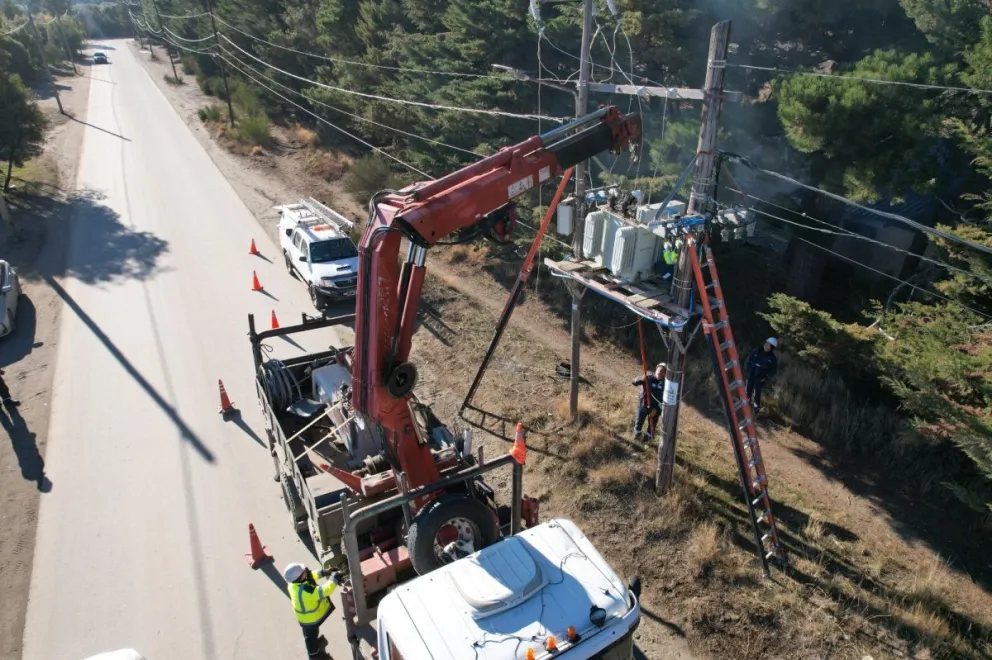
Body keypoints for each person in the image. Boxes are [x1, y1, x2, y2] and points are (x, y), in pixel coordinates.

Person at [284, 562, 341, 658]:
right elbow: (325, 591)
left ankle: (315, 645)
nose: (306, 570)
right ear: (300, 577)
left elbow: (310, 576)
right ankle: (314, 655)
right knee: (310, 639)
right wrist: (333, 579)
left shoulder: (293, 584)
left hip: (306, 619)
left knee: (312, 634)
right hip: (309, 620)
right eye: (304, 571)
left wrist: (324, 572)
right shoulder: (305, 591)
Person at [632, 362, 666, 442]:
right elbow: (634, 382)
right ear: (656, 369)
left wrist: (658, 410)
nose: (660, 372)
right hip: (643, 405)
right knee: (638, 422)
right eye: (659, 370)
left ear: (665, 374)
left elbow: (665, 400)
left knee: (652, 426)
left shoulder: (665, 384)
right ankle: (636, 437)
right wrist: (639, 379)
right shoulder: (648, 378)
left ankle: (646, 440)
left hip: (654, 409)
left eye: (663, 371)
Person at [744, 337, 779, 412]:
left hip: (760, 378)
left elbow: (773, 371)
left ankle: (756, 410)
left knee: (757, 394)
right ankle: (745, 406)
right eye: (766, 344)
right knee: (747, 391)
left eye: (768, 345)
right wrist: (747, 370)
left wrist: (766, 378)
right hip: (751, 374)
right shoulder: (756, 351)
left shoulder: (772, 358)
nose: (766, 346)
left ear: (772, 348)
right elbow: (748, 360)